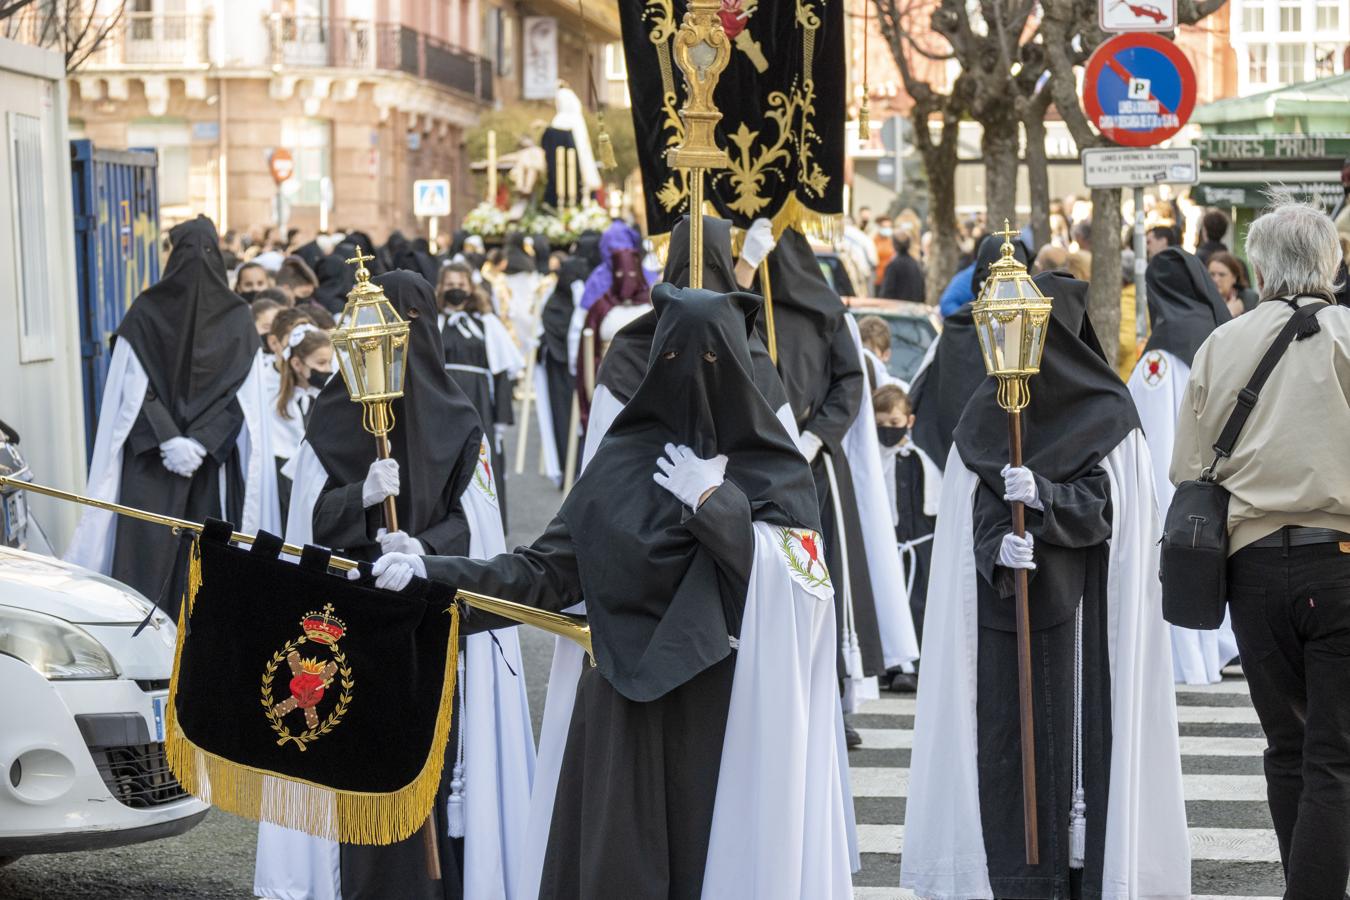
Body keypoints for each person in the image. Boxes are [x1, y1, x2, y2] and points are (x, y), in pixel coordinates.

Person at [371, 284, 854, 899]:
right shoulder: (621, 462)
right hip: (621, 713)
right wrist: (432, 572)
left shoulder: (772, 468)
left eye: (712, 362)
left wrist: (719, 506)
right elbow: (544, 573)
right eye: (678, 359)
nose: (693, 380)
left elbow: (806, 588)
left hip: (722, 714)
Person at [903, 267, 1190, 896]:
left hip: (1087, 625)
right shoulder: (985, 414)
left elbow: (1120, 508)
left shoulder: (1108, 412)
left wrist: (1050, 499)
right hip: (999, 625)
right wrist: (994, 544)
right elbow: (964, 516)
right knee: (1003, 753)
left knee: (1082, 757)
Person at [255, 269, 534, 900]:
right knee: (363, 758)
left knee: (438, 764)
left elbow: (481, 526)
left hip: (435, 615)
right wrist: (363, 496)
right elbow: (308, 523)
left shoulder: (460, 422)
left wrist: (427, 549)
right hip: (353, 620)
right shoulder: (331, 420)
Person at [1171, 199, 1350, 897]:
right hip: (1337, 558)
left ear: (1260, 268)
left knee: (1286, 746)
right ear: (1330, 261)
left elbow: (1187, 466)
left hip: (1248, 566)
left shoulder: (1225, 342)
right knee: (1334, 756)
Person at [65, 216, 278, 603]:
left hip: (160, 465)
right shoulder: (236, 317)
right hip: (204, 464)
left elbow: (135, 391)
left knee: (152, 560)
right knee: (194, 564)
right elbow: (240, 400)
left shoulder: (146, 310)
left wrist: (175, 440)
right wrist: (198, 442)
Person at [760, 226, 920, 709]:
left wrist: (816, 435)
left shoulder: (828, 316)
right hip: (757, 460)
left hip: (814, 466)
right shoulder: (741, 307)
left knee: (820, 580)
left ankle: (833, 691)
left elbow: (850, 381)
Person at [1126, 247, 1237, 684]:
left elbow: (1152, 435)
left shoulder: (1159, 356)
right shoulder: (1218, 337)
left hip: (1178, 489)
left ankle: (1184, 666)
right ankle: (1202, 662)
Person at [435, 260, 524, 520]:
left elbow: (501, 373)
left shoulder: (487, 323)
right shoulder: (435, 323)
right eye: (450, 284)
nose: (455, 289)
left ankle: (486, 520)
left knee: (481, 461)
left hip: (479, 402)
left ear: (471, 287)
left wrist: (501, 419)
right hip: (443, 402)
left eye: (460, 284)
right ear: (441, 287)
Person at [873, 384, 936, 685]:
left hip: (918, 544)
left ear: (908, 422)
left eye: (894, 423)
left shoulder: (919, 459)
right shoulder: (874, 463)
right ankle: (892, 667)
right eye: (881, 424)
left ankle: (915, 666)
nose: (887, 430)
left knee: (919, 603)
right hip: (889, 545)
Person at [269, 322, 332, 523]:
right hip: (288, 494)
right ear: (297, 364)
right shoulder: (278, 406)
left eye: (330, 363)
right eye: (321, 363)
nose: (328, 370)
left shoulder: (329, 401)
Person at [1207, 250, 1258, 317]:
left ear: (1234, 278)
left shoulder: (1249, 298)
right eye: (1212, 274)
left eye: (1222, 275)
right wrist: (1229, 313)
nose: (1215, 280)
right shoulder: (1202, 300)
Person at [856, 315, 900, 390]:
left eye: (871, 353)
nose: (865, 357)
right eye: (860, 351)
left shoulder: (898, 391)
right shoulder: (848, 385)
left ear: (886, 355)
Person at [878, 231, 925, 302]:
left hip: (897, 309)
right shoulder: (914, 263)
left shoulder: (893, 265)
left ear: (894, 244)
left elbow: (887, 291)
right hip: (913, 307)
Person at [872, 215, 895, 293]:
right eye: (885, 227)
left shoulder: (893, 240)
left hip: (890, 278)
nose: (887, 229)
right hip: (878, 278)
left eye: (889, 226)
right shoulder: (874, 240)